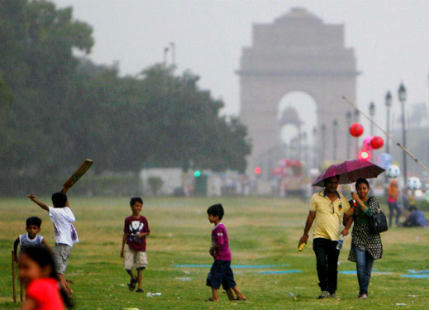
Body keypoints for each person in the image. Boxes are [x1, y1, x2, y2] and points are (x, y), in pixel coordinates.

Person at [298, 176, 352, 299]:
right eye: (331, 183)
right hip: (319, 237)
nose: (333, 185)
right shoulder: (316, 198)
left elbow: (350, 215)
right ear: (325, 184)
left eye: (335, 183)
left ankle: (332, 290)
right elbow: (311, 217)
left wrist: (347, 227)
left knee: (332, 265)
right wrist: (305, 234)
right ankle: (324, 289)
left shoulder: (342, 200)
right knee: (321, 263)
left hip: (335, 239)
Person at [28, 192, 78, 296]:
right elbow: (65, 203)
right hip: (67, 245)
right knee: (59, 271)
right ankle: (68, 290)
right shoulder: (68, 211)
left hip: (61, 244)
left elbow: (44, 207)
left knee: (57, 271)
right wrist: (64, 191)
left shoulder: (56, 211)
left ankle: (65, 294)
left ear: (54, 203)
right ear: (66, 202)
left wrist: (34, 200)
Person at [348, 178, 383, 299]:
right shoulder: (353, 202)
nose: (362, 190)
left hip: (372, 237)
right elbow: (347, 219)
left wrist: (357, 200)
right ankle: (363, 292)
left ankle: (363, 291)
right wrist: (348, 212)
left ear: (368, 189)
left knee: (368, 268)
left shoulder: (373, 200)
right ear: (356, 189)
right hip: (358, 236)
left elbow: (370, 213)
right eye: (359, 188)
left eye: (364, 188)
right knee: (360, 265)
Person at [206, 203, 246, 302]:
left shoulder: (219, 228)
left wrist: (212, 249)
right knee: (227, 277)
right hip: (225, 258)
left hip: (221, 258)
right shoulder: (218, 228)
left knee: (214, 276)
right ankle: (240, 295)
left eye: (210, 215)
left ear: (216, 217)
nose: (208, 217)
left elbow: (220, 242)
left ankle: (215, 297)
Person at [121, 197, 150, 293]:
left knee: (140, 267)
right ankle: (133, 278)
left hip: (141, 246)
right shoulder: (128, 220)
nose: (138, 208)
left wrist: (142, 234)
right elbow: (125, 233)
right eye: (137, 206)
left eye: (140, 206)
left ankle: (140, 287)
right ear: (131, 206)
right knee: (127, 266)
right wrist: (122, 248)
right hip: (130, 245)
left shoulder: (143, 219)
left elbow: (148, 232)